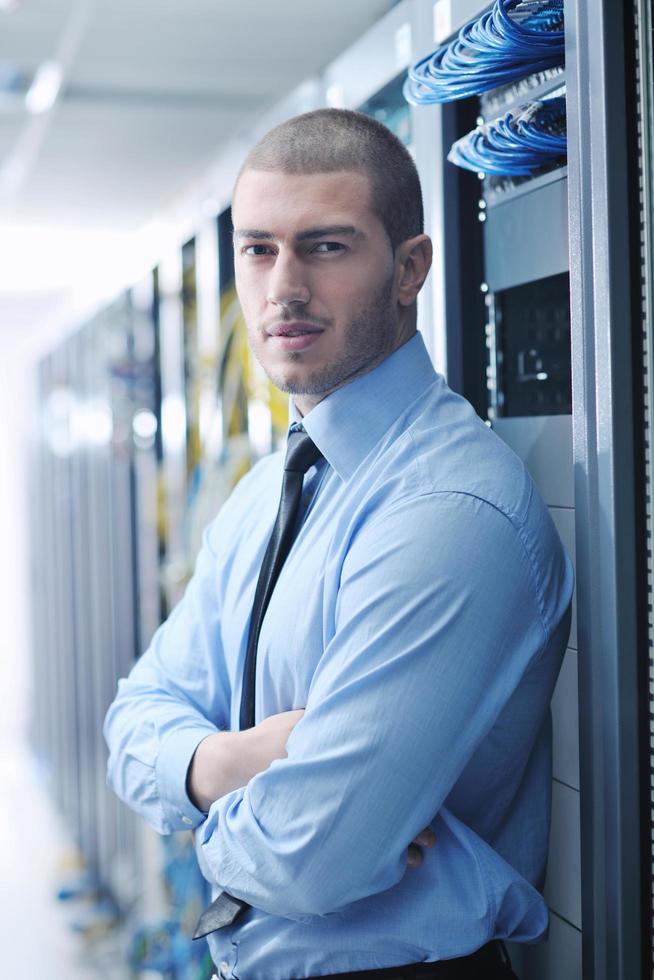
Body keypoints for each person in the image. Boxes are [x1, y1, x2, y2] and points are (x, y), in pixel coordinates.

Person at [104, 109, 574, 980]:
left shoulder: (448, 511)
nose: (283, 287)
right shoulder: (264, 496)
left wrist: (202, 801)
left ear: (410, 269)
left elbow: (303, 857)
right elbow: (130, 725)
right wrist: (241, 762)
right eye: (257, 249)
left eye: (325, 247)